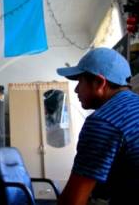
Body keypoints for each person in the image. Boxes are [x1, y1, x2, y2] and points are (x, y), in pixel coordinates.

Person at [56, 47, 139, 205]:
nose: (76, 89)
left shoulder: (104, 121)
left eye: (80, 81)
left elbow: (72, 201)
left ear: (100, 83)